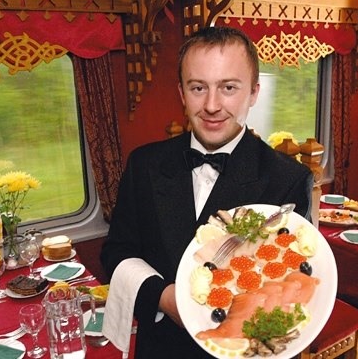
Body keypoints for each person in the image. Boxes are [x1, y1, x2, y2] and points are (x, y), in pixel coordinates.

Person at [100, 26, 313, 358]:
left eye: (228, 87)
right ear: (182, 93)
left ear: (253, 93)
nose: (212, 105)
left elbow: (293, 285)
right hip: (161, 346)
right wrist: (163, 297)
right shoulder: (144, 163)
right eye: (198, 87)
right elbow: (117, 252)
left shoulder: (288, 178)